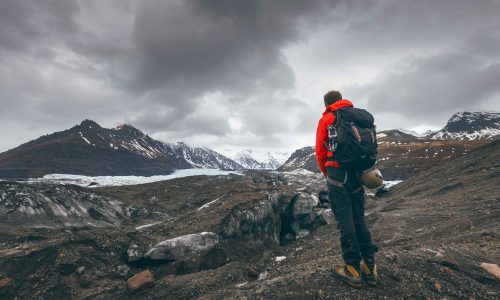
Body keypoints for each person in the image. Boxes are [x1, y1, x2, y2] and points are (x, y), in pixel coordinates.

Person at [315, 90, 378, 288]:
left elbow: (320, 151)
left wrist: (328, 174)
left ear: (327, 104)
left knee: (345, 222)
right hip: (358, 174)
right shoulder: (359, 117)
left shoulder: (328, 118)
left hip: (337, 174)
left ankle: (352, 269)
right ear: (342, 100)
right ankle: (370, 267)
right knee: (359, 219)